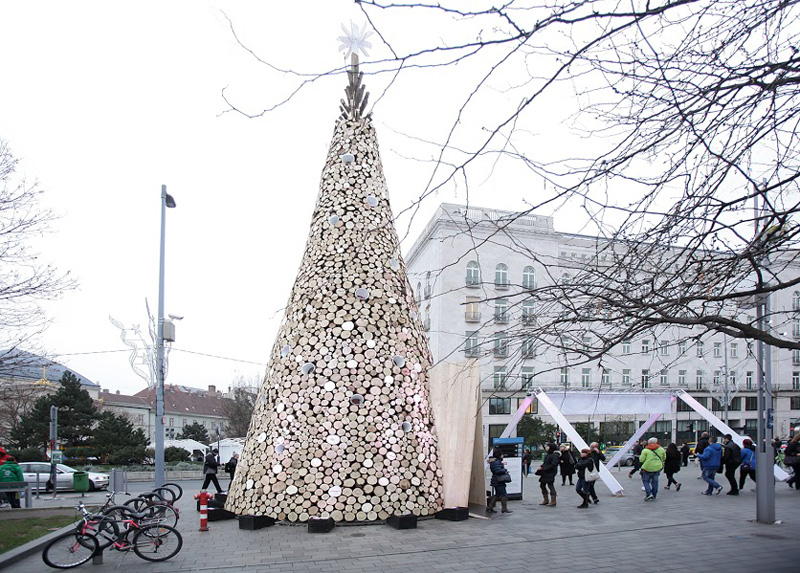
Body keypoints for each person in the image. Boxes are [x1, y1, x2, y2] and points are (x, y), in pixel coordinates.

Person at [486, 449, 512, 513]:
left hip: (496, 480)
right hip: (498, 480)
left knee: (497, 494)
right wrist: (504, 470)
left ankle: (490, 507)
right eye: (502, 455)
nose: (503, 456)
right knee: (503, 494)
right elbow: (497, 471)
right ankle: (504, 508)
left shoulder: (495, 461)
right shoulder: (496, 462)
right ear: (499, 455)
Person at [640, 437, 666, 501]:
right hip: (657, 467)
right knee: (655, 481)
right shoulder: (661, 449)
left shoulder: (645, 450)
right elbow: (664, 458)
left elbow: (641, 459)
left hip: (647, 468)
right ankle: (654, 494)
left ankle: (649, 493)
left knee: (645, 481)